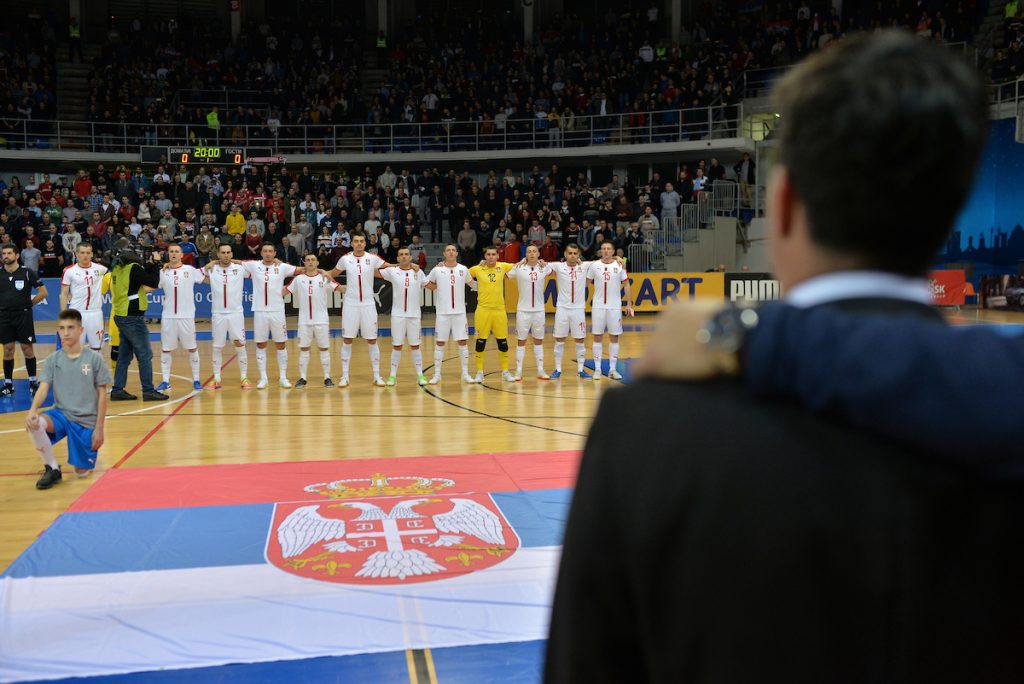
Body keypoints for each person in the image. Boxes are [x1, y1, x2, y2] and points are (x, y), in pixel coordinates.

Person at [546, 33, 1024, 684]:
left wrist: (743, 332)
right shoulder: (1001, 412)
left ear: (788, 202)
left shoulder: (644, 430)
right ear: (946, 212)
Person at [26, 309, 110, 490]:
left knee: (81, 473)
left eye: (70, 328)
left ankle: (82, 451)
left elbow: (103, 395)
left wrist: (99, 429)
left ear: (81, 330)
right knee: (35, 423)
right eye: (61, 328)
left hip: (86, 421)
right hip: (61, 415)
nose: (65, 333)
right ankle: (52, 468)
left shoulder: (94, 359)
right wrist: (32, 410)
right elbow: (43, 388)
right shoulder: (53, 359)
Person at [325, 232, 401, 387]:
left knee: (372, 340)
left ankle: (376, 376)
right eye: (356, 241)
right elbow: (331, 274)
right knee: (347, 340)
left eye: (361, 241)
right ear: (351, 243)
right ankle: (344, 377)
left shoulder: (372, 258)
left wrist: (407, 266)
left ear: (365, 244)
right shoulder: (345, 259)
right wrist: (332, 283)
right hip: (350, 304)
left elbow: (391, 267)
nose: (359, 244)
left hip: (368, 304)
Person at [108, 240, 167, 401]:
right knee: (145, 354)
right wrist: (155, 264)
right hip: (132, 317)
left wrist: (150, 265)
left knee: (124, 356)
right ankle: (148, 391)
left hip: (122, 315)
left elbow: (140, 276)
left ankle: (117, 389)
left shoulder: (117, 269)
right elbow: (153, 281)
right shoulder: (132, 268)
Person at [242, 243, 298, 389]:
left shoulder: (282, 267)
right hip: (260, 311)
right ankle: (263, 378)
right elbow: (234, 262)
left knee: (281, 344)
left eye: (270, 251)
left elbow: (301, 270)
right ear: (261, 252)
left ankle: (283, 377)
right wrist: (215, 262)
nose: (267, 253)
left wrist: (321, 271)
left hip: (277, 311)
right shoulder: (253, 266)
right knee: (261, 344)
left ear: (274, 253)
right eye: (265, 251)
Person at [284, 253, 339, 388]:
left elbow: (339, 288)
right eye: (307, 260)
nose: (310, 262)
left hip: (321, 320)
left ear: (317, 263)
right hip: (304, 320)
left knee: (324, 349)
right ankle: (303, 377)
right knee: (304, 349)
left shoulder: (324, 277)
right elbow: (284, 291)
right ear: (305, 263)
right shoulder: (298, 279)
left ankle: (327, 377)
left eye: (313, 260)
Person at [0, 242, 48, 397]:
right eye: (4, 254)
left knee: (27, 349)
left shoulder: (27, 273)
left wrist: (29, 304)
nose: (6, 256)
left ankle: (33, 382)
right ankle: (8, 385)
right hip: (4, 317)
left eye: (9, 253)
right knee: (8, 350)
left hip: (23, 316)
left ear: (17, 255)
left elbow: (43, 292)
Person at [202, 244, 252, 389]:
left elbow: (259, 267)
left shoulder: (240, 269)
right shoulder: (212, 269)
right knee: (217, 347)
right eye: (223, 253)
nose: (226, 255)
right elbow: (196, 273)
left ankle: (244, 377)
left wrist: (275, 262)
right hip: (218, 314)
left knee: (240, 344)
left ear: (232, 254)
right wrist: (212, 263)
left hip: (236, 314)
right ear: (218, 254)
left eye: (228, 252)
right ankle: (216, 378)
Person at [377, 247, 429, 386]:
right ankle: (392, 376)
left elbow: (431, 285)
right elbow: (372, 271)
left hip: (414, 315)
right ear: (398, 258)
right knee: (397, 345)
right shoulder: (392, 271)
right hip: (398, 315)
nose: (404, 257)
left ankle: (420, 375)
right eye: (401, 255)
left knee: (415, 345)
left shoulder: (419, 272)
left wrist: (442, 267)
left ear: (411, 257)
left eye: (406, 254)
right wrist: (393, 265)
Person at [156, 244, 203, 392]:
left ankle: (196, 379)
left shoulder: (190, 270)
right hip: (168, 316)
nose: (174, 254)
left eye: (177, 251)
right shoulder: (162, 272)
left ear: (182, 255)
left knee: (192, 347)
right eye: (171, 252)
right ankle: (165, 380)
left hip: (186, 316)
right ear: (168, 254)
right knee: (165, 349)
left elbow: (206, 273)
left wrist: (214, 262)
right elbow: (152, 285)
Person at [424, 244, 473, 384]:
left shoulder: (463, 269)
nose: (451, 252)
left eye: (453, 250)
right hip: (443, 313)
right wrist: (436, 286)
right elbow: (428, 284)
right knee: (440, 343)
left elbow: (473, 284)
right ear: (444, 253)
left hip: (459, 313)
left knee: (462, 342)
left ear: (457, 253)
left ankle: (465, 373)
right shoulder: (437, 269)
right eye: (448, 250)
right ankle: (437, 375)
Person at [467, 246, 517, 383]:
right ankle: (479, 372)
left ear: (497, 256)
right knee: (480, 342)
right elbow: (461, 274)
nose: (491, 257)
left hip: (499, 311)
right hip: (483, 311)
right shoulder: (477, 269)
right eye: (488, 254)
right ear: (485, 256)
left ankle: (505, 371)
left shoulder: (503, 266)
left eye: (493, 254)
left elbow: (520, 266)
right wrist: (474, 285)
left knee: (503, 342)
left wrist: (537, 261)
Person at [585, 240, 633, 380]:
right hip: (598, 306)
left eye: (608, 249)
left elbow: (626, 284)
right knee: (597, 336)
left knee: (614, 337)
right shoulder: (594, 265)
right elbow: (586, 284)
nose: (605, 251)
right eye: (603, 248)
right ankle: (598, 369)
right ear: (600, 251)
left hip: (614, 306)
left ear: (613, 251)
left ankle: (612, 369)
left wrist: (629, 304)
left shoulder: (619, 265)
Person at [507, 245, 553, 380]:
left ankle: (540, 370)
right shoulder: (519, 268)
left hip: (539, 310)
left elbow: (561, 267)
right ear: (525, 254)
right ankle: (518, 371)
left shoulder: (544, 267)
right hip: (523, 310)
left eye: (534, 251)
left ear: (539, 253)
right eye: (529, 252)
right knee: (521, 341)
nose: (532, 254)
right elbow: (503, 274)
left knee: (539, 340)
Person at [549, 244, 591, 378]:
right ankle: (558, 369)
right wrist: (524, 260)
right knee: (559, 339)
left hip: (578, 309)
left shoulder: (585, 266)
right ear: (565, 254)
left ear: (579, 255)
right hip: (562, 308)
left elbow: (604, 261)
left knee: (580, 339)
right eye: (570, 253)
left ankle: (580, 370)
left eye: (575, 253)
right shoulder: (558, 266)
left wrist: (617, 257)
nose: (572, 255)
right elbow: (538, 263)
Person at [60, 243, 108, 353]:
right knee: (74, 348)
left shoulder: (101, 269)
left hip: (95, 313)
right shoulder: (69, 271)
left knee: (97, 348)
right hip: (76, 313)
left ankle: (96, 370)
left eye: (88, 253)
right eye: (82, 253)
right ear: (76, 254)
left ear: (91, 254)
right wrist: (63, 315)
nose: (85, 255)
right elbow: (63, 294)